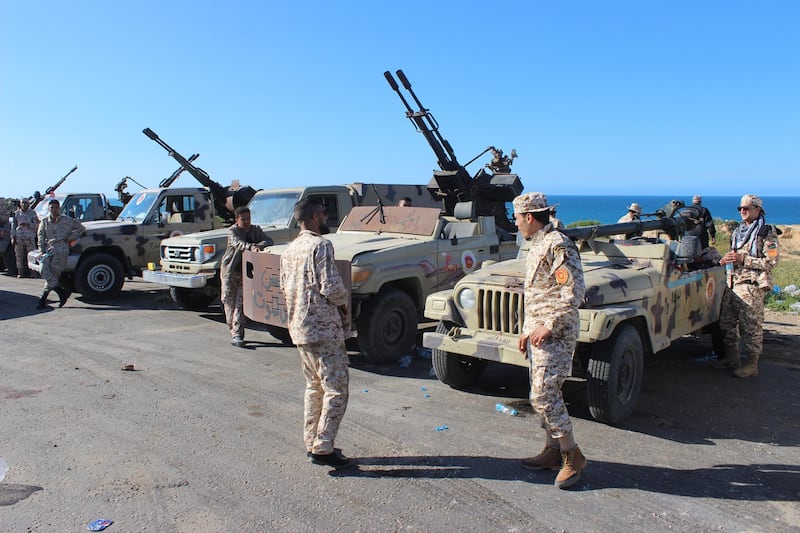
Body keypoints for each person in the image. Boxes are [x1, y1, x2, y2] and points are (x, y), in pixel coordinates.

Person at [513, 192, 587, 489]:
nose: (516, 224)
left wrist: (548, 325)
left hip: (556, 334)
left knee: (544, 395)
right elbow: (539, 295)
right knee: (541, 392)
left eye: (517, 218)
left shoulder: (558, 244)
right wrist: (527, 329)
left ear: (529, 217)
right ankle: (553, 451)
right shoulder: (537, 245)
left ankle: (572, 455)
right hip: (538, 332)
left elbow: (573, 291)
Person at [280, 199, 353, 470]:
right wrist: (345, 302)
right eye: (323, 212)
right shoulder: (321, 246)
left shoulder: (289, 250)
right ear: (313, 217)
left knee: (314, 387)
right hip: (324, 330)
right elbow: (331, 287)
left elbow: (284, 288)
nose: (326, 216)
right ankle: (323, 447)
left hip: (299, 328)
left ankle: (312, 440)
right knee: (336, 389)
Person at [713, 194, 779, 378]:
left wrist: (744, 259)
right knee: (726, 324)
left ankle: (751, 364)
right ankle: (732, 358)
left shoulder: (766, 232)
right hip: (732, 283)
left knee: (751, 327)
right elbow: (734, 254)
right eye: (740, 208)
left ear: (757, 210)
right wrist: (726, 259)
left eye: (747, 208)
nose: (742, 211)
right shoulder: (738, 232)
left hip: (751, 286)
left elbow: (771, 262)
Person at [220, 206, 272, 347]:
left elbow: (268, 240)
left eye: (248, 218)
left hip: (245, 273)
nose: (247, 222)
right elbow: (238, 243)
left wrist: (259, 245)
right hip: (230, 272)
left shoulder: (255, 230)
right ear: (237, 220)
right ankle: (233, 328)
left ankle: (237, 333)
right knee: (228, 301)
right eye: (243, 219)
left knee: (240, 303)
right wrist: (251, 247)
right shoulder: (232, 231)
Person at [36, 199, 85, 309]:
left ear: (59, 208)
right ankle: (62, 292)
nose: (54, 210)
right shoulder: (44, 222)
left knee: (54, 272)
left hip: (61, 248)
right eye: (52, 207)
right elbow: (41, 236)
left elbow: (81, 228)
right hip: (49, 249)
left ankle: (42, 299)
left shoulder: (67, 220)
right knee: (43, 270)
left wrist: (70, 238)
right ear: (49, 209)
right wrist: (41, 250)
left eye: (56, 207)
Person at [11, 197, 40, 277]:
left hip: (29, 237)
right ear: (20, 204)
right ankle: (20, 272)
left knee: (31, 255)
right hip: (19, 237)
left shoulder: (32, 213)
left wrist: (28, 224)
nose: (24, 204)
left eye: (26, 203)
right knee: (19, 256)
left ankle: (33, 273)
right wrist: (13, 237)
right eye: (22, 202)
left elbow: (37, 225)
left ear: (29, 204)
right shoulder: (17, 213)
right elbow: (13, 226)